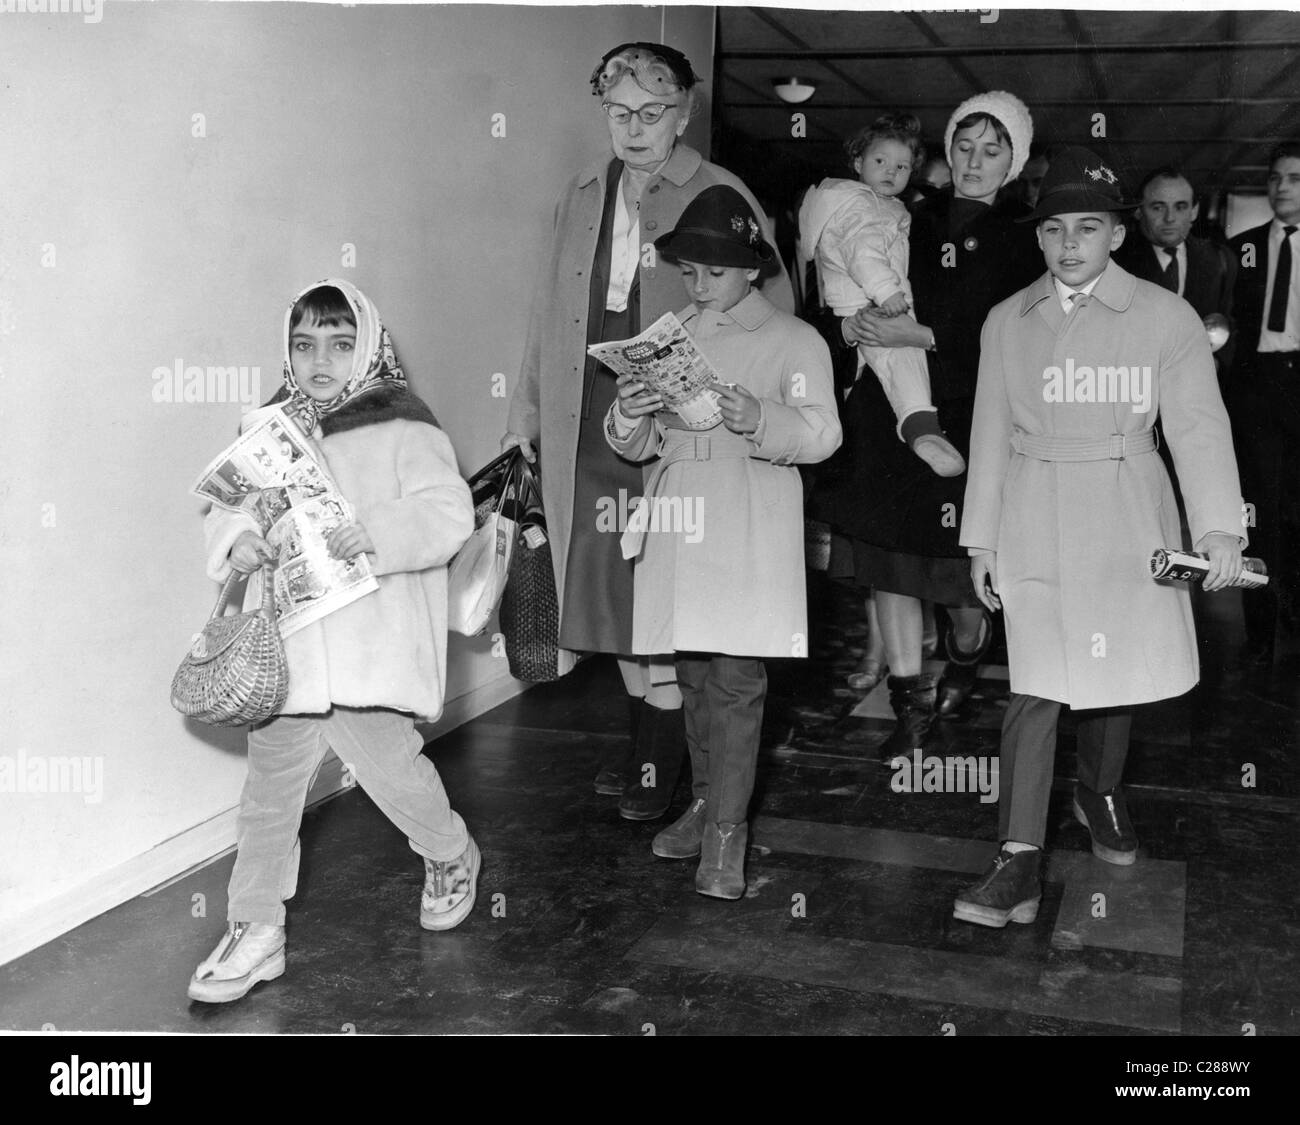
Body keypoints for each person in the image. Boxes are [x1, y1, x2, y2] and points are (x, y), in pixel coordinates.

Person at [954, 148, 1245, 928]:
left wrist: (1219, 525)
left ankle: (1099, 788)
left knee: (1112, 672)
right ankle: (1018, 855)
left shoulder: (1166, 317)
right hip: (1033, 508)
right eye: (1054, 229)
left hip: (1127, 508)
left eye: (1089, 227)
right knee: (1036, 684)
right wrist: (980, 538)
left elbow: (1198, 429)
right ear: (1040, 237)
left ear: (1117, 235)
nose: (1070, 243)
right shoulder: (1007, 320)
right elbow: (987, 434)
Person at [503, 42, 793, 822]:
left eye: (652, 113)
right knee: (604, 588)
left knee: (661, 584)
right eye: (619, 112)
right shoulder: (583, 191)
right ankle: (646, 741)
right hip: (590, 416)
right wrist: (527, 414)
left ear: (685, 112)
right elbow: (545, 312)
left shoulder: (720, 188)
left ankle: (663, 757)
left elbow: (774, 313)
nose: (634, 129)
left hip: (678, 428)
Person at [188, 280, 477, 1001]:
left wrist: (376, 531)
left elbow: (449, 514)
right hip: (288, 653)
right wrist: (241, 542)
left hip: (366, 645)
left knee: (395, 772)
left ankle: (449, 850)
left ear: (370, 346)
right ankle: (255, 928)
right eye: (304, 343)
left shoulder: (406, 426)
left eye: (341, 344)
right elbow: (225, 509)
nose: (321, 360)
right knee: (268, 795)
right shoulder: (268, 428)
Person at [605, 186, 840, 898]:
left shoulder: (793, 339)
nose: (697, 282)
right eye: (688, 269)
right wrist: (629, 409)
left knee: (736, 680)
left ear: (750, 267)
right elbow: (637, 444)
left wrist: (759, 413)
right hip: (679, 512)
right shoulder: (674, 330)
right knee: (696, 676)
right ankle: (707, 803)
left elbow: (825, 434)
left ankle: (729, 836)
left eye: (712, 270)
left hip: (747, 512)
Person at [809, 91, 1042, 747]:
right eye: (964, 145)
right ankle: (910, 704)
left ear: (1013, 162)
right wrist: (849, 325)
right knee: (890, 565)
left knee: (959, 585)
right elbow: (853, 281)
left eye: (991, 150)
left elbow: (1018, 341)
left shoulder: (1023, 241)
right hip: (892, 414)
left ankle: (967, 650)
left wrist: (929, 337)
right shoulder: (908, 214)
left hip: (971, 419)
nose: (974, 161)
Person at [800, 112, 965, 477]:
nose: (891, 171)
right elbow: (864, 253)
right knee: (904, 360)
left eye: (902, 166)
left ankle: (824, 435)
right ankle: (921, 428)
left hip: (853, 308)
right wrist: (888, 293)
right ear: (858, 162)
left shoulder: (864, 203)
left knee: (845, 387)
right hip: (873, 303)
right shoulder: (863, 206)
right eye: (880, 161)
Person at [1226, 142, 1300, 669]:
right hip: (1257, 389)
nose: (1283, 187)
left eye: (1294, 178)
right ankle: (1259, 635)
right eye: (1276, 178)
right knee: (1259, 511)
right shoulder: (1241, 249)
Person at [1116, 166, 1236, 376]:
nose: (1170, 218)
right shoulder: (1116, 262)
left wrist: (1215, 362)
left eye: (1180, 206)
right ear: (1138, 210)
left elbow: (1228, 321)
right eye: (1158, 207)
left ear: (1194, 211)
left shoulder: (1219, 258)